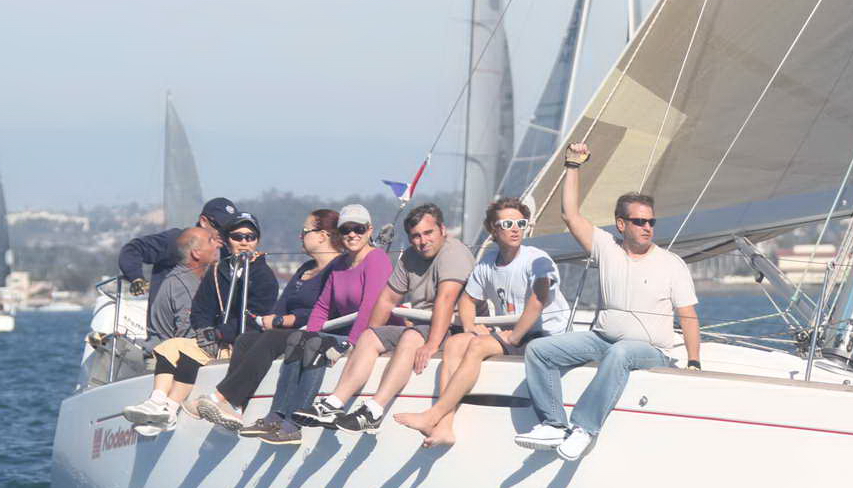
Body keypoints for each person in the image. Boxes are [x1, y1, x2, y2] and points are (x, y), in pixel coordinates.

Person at [516, 142, 702, 461]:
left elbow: (688, 315)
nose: (647, 228)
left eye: (651, 222)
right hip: (602, 340)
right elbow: (570, 214)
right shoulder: (606, 247)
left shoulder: (671, 264)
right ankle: (553, 424)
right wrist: (572, 165)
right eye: (639, 222)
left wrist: (694, 362)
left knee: (621, 352)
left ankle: (584, 428)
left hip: (651, 350)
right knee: (539, 350)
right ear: (621, 224)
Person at [211, 203, 394, 441]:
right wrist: (308, 334)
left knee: (314, 345)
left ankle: (294, 423)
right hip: (348, 333)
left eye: (358, 229)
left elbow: (370, 307)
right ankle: (276, 415)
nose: (352, 234)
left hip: (370, 335)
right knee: (299, 339)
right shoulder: (339, 264)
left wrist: (351, 344)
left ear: (369, 230)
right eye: (345, 229)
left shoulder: (377, 259)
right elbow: (322, 306)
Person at [393, 197, 567, 447]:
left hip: (544, 337)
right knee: (456, 343)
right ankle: (445, 427)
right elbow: (467, 300)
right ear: (493, 229)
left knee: (477, 346)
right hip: (514, 335)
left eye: (521, 223)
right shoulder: (488, 263)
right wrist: (470, 327)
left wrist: (514, 336)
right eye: (507, 224)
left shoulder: (537, 259)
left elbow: (538, 300)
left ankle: (432, 415)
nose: (515, 229)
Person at [293, 202, 473, 433]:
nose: (423, 241)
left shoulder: (454, 253)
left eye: (428, 233)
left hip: (452, 326)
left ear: (443, 230)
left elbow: (446, 300)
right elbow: (387, 299)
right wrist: (371, 334)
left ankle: (374, 411)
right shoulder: (410, 256)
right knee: (369, 336)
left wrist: (431, 345)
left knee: (411, 336)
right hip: (421, 324)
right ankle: (333, 404)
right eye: (416, 236)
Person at [192, 208, 343, 436]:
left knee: (271, 338)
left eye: (304, 232)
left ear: (322, 236)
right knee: (246, 339)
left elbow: (327, 310)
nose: (300, 236)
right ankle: (236, 409)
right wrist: (272, 319)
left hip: (312, 332)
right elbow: (281, 304)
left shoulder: (337, 269)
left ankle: (222, 397)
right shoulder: (305, 269)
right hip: (289, 331)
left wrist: (283, 320)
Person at [121, 226, 222, 435]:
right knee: (181, 347)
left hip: (171, 349)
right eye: (211, 241)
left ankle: (157, 405)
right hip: (169, 355)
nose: (218, 244)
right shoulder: (184, 285)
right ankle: (165, 406)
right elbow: (191, 336)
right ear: (196, 253)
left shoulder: (195, 278)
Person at [117, 196, 237, 328]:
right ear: (203, 221)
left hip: (208, 328)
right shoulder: (177, 241)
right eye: (220, 227)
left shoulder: (227, 253)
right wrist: (136, 278)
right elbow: (133, 249)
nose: (224, 234)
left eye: (230, 229)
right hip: (169, 330)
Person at [189, 211, 280, 351]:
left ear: (257, 241)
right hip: (212, 342)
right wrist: (205, 332)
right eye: (237, 237)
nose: (244, 242)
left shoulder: (265, 276)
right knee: (170, 349)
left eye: (250, 237)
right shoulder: (216, 270)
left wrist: (220, 333)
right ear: (226, 240)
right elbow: (201, 309)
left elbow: (256, 318)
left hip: (249, 346)